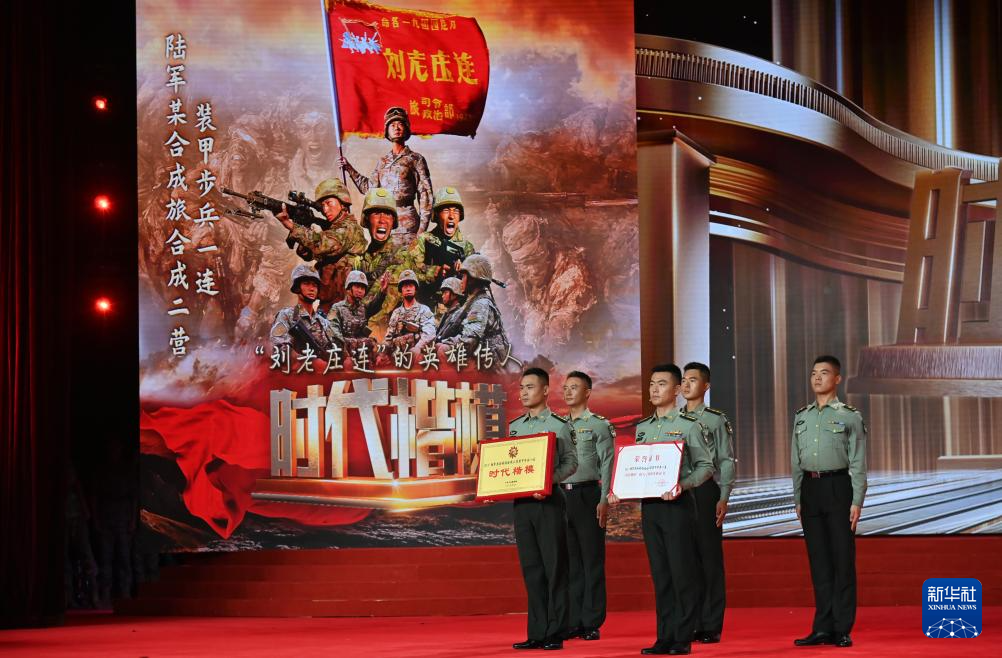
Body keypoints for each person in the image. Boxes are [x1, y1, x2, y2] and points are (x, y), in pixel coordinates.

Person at [608, 364, 714, 656]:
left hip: (677, 505)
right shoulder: (643, 428)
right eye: (652, 384)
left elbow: (706, 466)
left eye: (662, 384)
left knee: (682, 573)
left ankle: (682, 637)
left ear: (677, 390)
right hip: (651, 508)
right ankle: (664, 637)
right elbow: (636, 468)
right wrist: (620, 490)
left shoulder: (690, 425)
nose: (654, 389)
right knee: (661, 575)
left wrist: (683, 485)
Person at [792, 356, 867, 649]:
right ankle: (822, 627)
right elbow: (795, 461)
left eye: (824, 373)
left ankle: (842, 628)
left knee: (842, 560)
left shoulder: (850, 416)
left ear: (837, 379)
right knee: (819, 561)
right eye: (814, 373)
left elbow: (858, 461)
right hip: (810, 489)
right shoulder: (802, 416)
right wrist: (798, 497)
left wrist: (857, 500)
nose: (817, 378)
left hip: (838, 488)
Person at [508, 367, 578, 651]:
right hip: (523, 505)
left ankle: (556, 631)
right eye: (521, 388)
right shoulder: (515, 427)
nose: (524, 393)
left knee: (555, 567)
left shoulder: (559, 425)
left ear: (546, 390)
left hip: (548, 502)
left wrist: (548, 482)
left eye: (530, 387)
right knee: (532, 569)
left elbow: (571, 463)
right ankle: (536, 632)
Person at [679, 362, 736, 644]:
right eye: (683, 379)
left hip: (704, 491)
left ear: (706, 386)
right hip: (677, 493)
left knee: (709, 558)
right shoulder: (672, 418)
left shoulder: (715, 420)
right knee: (684, 559)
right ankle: (689, 620)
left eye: (693, 379)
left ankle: (711, 624)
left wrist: (724, 496)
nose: (686, 384)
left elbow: (725, 459)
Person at [560, 370, 615, 641]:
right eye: (566, 387)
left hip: (588, 495)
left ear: (587, 392)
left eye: (575, 387)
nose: (568, 391)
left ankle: (591, 621)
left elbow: (608, 464)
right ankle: (573, 621)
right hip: (562, 497)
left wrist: (604, 499)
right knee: (570, 562)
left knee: (591, 560)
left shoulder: (598, 425)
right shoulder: (558, 425)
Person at [340, 106, 433, 241]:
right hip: (385, 224)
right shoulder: (383, 162)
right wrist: (349, 168)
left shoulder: (415, 159)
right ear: (387, 131)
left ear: (406, 128)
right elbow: (369, 188)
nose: (396, 128)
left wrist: (422, 230)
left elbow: (426, 195)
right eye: (392, 125)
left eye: (400, 124)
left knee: (408, 255)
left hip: (408, 226)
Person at [350, 188, 421, 336]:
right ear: (367, 220)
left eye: (388, 214)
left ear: (393, 221)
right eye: (376, 213)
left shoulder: (403, 256)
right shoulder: (358, 261)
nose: (382, 220)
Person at [436, 254, 512, 371]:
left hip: (490, 368)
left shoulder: (481, 304)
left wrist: (443, 344)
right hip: (482, 361)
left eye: (463, 276)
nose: (461, 281)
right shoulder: (472, 302)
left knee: (443, 350)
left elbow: (469, 341)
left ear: (472, 279)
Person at [412, 186, 476, 306]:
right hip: (426, 306)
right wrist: (434, 271)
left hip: (456, 309)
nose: (451, 216)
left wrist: (464, 272)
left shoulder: (467, 248)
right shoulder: (423, 240)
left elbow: (474, 287)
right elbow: (410, 272)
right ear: (436, 214)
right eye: (446, 210)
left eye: (455, 211)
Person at [269, 264, 341, 365]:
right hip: (299, 372)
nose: (312, 288)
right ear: (297, 288)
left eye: (314, 285)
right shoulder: (286, 315)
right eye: (306, 284)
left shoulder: (324, 322)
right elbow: (280, 349)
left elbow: (337, 348)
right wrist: (312, 362)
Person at [377, 269, 435, 366]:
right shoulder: (396, 313)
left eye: (411, 285)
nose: (408, 289)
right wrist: (381, 354)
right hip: (398, 356)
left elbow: (430, 334)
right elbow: (388, 338)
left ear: (415, 288)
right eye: (405, 286)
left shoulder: (424, 310)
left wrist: (417, 348)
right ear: (401, 290)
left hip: (417, 356)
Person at [327, 269, 387, 356]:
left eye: (363, 288)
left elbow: (375, 305)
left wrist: (383, 291)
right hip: (344, 354)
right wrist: (345, 354)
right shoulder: (336, 308)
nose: (360, 291)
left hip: (362, 353)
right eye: (357, 287)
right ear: (348, 288)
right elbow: (333, 334)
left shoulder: (363, 308)